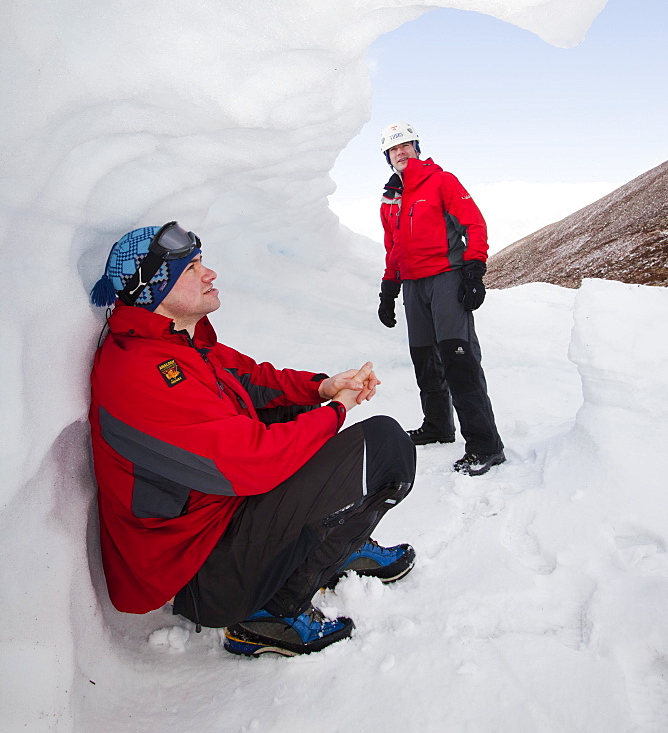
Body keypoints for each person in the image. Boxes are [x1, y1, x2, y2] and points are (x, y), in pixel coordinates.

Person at [89, 221, 416, 658]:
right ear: (155, 290)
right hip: (201, 570)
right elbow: (254, 460)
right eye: (190, 269)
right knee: (383, 447)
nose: (209, 274)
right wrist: (338, 410)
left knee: (292, 414)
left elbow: (253, 380)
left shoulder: (175, 345)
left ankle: (336, 546)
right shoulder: (141, 373)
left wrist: (321, 388)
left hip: (217, 524)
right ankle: (267, 615)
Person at [377, 121, 505, 476]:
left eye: (405, 146)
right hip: (413, 287)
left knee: (458, 360)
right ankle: (438, 426)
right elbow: (394, 249)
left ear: (417, 147)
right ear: (387, 157)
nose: (400, 153)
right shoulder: (390, 199)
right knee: (424, 359)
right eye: (393, 149)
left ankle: (485, 445)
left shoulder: (441, 181)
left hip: (446, 278)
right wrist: (389, 290)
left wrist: (474, 270)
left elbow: (474, 224)